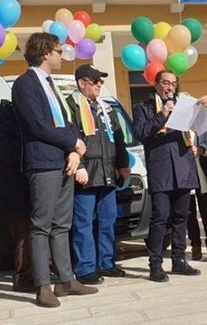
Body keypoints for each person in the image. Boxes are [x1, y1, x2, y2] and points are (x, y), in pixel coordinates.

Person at [10, 33, 95, 307]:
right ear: (45, 52)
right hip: (43, 163)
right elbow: (37, 125)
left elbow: (66, 120)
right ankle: (43, 285)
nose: (62, 55)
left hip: (64, 161)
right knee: (41, 225)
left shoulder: (53, 85)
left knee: (62, 225)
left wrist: (73, 150)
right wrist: (72, 142)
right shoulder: (25, 84)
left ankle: (65, 279)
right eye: (59, 51)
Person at [132, 71, 207, 282]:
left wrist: (206, 104)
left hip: (183, 166)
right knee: (160, 217)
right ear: (156, 84)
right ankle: (155, 264)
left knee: (182, 216)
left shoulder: (185, 104)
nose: (170, 87)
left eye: (173, 84)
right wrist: (162, 115)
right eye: (166, 83)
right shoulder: (143, 107)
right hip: (161, 169)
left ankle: (179, 259)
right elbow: (140, 133)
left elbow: (201, 123)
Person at [65, 64, 130, 285]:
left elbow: (118, 138)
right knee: (83, 222)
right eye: (95, 81)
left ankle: (107, 262)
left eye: (101, 81)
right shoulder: (71, 105)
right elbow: (69, 138)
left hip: (107, 171)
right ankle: (85, 268)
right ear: (82, 83)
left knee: (108, 218)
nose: (100, 84)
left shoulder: (105, 108)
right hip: (87, 172)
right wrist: (79, 165)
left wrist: (123, 164)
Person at [0, 99, 33, 292]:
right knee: (23, 235)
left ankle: (32, 274)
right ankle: (24, 278)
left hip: (19, 187)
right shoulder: (4, 121)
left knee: (28, 234)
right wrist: (32, 147)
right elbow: (8, 153)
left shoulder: (9, 119)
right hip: (15, 188)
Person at [186, 129, 207, 260]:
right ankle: (195, 245)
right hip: (185, 175)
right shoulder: (178, 125)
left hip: (202, 174)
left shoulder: (201, 126)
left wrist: (201, 149)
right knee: (189, 213)